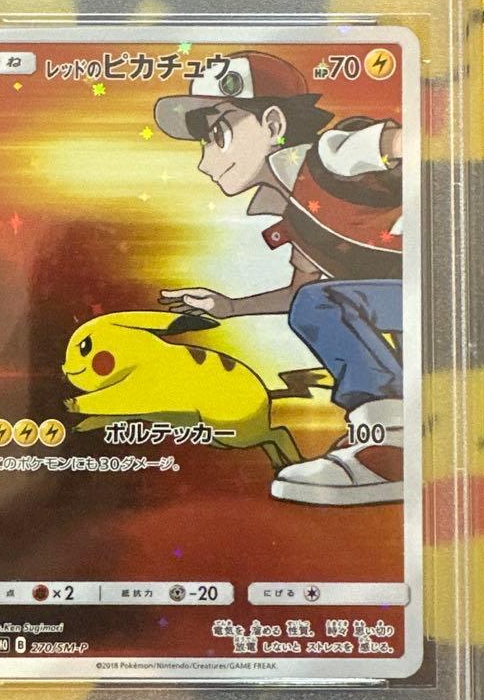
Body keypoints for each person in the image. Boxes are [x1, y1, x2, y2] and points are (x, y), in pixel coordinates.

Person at [154, 50, 404, 506]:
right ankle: (392, 445)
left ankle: (388, 443)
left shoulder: (330, 156)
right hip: (411, 303)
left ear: (272, 125)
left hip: (433, 286)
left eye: (218, 135)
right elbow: (301, 295)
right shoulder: (299, 218)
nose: (206, 162)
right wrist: (230, 307)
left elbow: (405, 142)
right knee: (320, 304)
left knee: (323, 305)